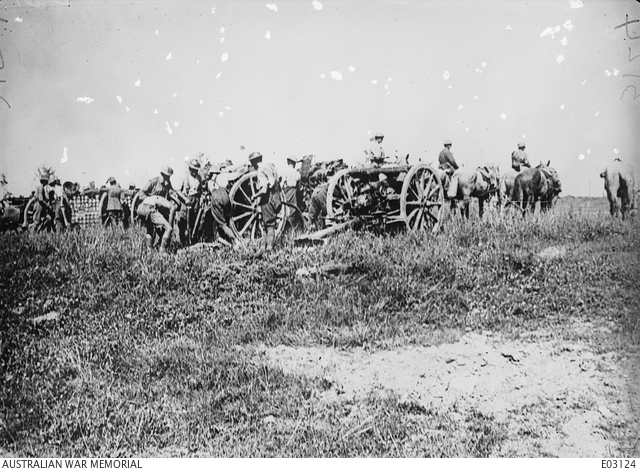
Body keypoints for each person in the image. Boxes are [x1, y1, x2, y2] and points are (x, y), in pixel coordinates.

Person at [249, 152, 281, 252]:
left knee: (269, 226)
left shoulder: (261, 170)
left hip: (268, 200)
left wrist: (254, 196)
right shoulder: (270, 167)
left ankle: (269, 250)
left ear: (253, 162)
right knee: (269, 225)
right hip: (275, 198)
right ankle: (266, 248)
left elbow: (263, 190)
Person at [207, 166, 241, 246]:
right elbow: (235, 175)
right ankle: (224, 239)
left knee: (222, 224)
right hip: (226, 196)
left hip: (216, 197)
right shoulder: (222, 176)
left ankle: (235, 241)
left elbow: (211, 193)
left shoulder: (210, 182)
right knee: (226, 218)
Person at [176, 158, 203, 245]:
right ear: (189, 168)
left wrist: (201, 199)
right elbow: (178, 191)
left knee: (193, 222)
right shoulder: (184, 176)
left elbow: (200, 190)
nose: (195, 172)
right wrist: (185, 199)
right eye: (193, 170)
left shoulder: (199, 178)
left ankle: (192, 242)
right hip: (185, 201)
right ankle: (182, 243)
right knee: (183, 223)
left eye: (196, 170)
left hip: (195, 200)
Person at [281, 156, 303, 230]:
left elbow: (282, 182)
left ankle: (284, 225)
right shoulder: (297, 174)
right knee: (293, 208)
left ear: (288, 162)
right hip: (293, 192)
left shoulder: (284, 171)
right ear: (295, 164)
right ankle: (292, 227)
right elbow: (299, 188)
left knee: (284, 207)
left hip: (285, 191)